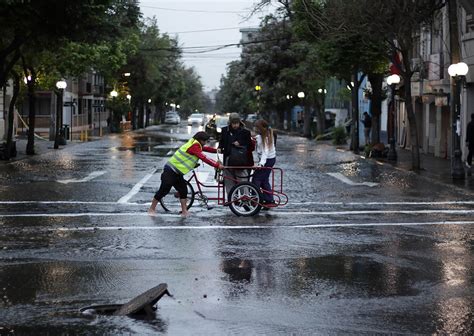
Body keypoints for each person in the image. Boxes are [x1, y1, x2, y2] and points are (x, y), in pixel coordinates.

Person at [148, 131, 223, 217]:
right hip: (171, 170)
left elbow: (205, 149)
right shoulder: (194, 146)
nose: (206, 142)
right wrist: (217, 165)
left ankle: (184, 211)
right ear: (200, 140)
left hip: (178, 172)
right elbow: (203, 157)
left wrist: (216, 151)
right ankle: (151, 209)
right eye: (205, 141)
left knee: (183, 190)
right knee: (164, 190)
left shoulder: (195, 143)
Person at [218, 113, 253, 197]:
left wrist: (240, 143)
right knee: (229, 179)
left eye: (237, 123)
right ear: (230, 122)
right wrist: (220, 147)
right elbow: (222, 141)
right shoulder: (224, 130)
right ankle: (232, 198)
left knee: (242, 178)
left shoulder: (245, 132)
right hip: (228, 158)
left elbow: (249, 144)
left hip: (241, 158)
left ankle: (245, 197)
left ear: (239, 122)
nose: (235, 125)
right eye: (233, 123)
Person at [252, 119, 277, 207]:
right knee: (264, 179)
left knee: (256, 179)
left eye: (257, 127)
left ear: (262, 128)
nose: (256, 129)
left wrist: (261, 164)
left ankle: (256, 198)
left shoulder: (266, 137)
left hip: (268, 160)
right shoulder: (263, 135)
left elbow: (265, 152)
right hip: (269, 159)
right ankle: (269, 200)